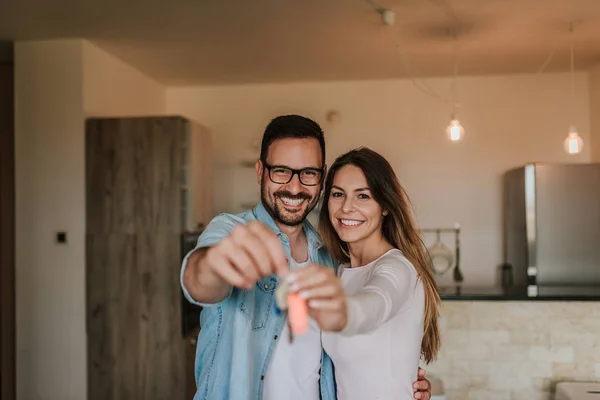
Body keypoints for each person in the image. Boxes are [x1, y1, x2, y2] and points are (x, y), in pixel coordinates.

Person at [181, 114, 433, 400]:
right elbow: (199, 282)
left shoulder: (329, 259)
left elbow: (367, 320)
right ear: (260, 171)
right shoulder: (229, 231)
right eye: (281, 171)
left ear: (321, 177)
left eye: (308, 173)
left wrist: (399, 383)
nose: (295, 186)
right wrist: (217, 263)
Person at [288, 147, 441, 399]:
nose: (347, 207)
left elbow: (375, 303)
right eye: (338, 194)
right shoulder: (340, 272)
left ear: (385, 206)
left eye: (363, 196)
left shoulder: (397, 268)